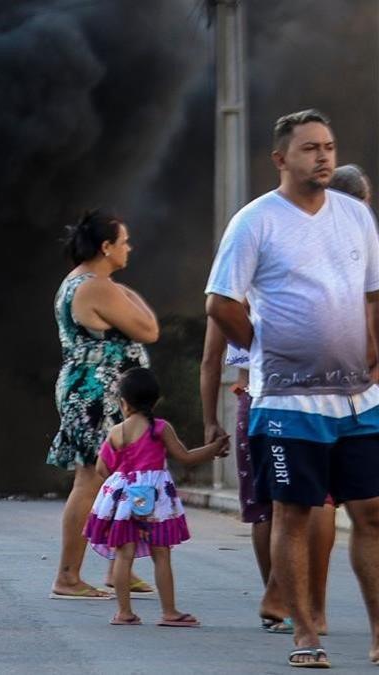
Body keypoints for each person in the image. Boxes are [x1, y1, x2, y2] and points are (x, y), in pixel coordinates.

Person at [207, 109, 379, 668]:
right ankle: (306, 633)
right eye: (310, 148)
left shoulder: (356, 217)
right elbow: (221, 303)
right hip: (286, 400)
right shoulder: (255, 221)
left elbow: (373, 295)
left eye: (329, 146)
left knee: (372, 510)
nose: (323, 156)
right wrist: (263, 349)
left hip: (357, 397)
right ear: (281, 159)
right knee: (294, 511)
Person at [48, 210, 161, 600]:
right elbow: (149, 329)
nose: (129, 248)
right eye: (124, 241)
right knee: (91, 478)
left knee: (121, 475)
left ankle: (119, 568)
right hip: (98, 393)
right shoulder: (97, 286)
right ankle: (67, 575)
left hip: (93, 387)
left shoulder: (79, 282)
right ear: (106, 247)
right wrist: (130, 295)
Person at [201, 320, 337, 635]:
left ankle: (283, 603)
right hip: (324, 395)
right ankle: (315, 610)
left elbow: (210, 359)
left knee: (264, 503)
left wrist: (210, 420)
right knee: (320, 496)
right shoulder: (321, 278)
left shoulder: (236, 283)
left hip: (261, 397)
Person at [85, 368, 228, 626]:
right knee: (161, 554)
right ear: (155, 400)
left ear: (124, 402)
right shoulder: (160, 428)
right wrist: (214, 449)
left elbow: (101, 468)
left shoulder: (117, 432)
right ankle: (170, 612)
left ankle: (124, 612)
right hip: (156, 499)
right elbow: (185, 457)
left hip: (125, 499)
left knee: (123, 554)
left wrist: (123, 473)